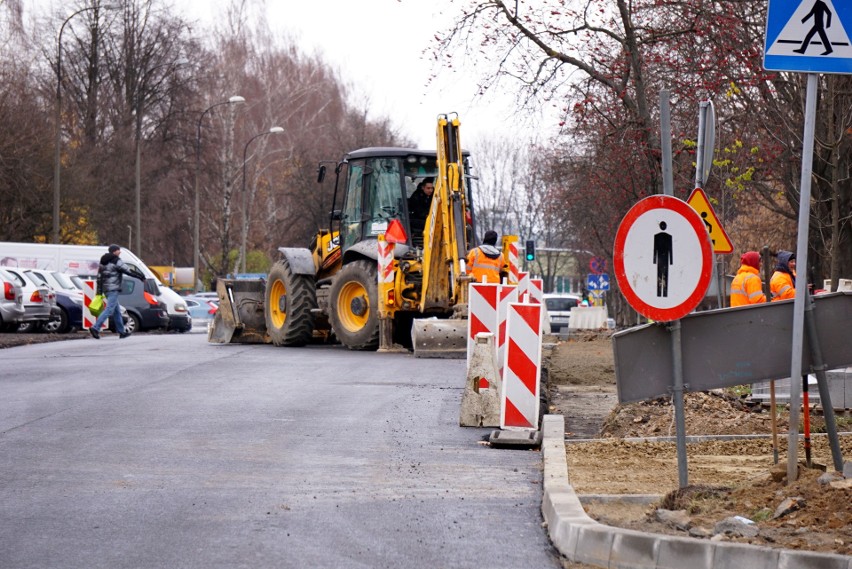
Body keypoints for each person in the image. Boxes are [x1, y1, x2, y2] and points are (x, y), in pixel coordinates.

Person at [90, 244, 145, 339]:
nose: (120, 252)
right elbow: (128, 270)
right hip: (113, 289)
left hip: (106, 289)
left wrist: (99, 291)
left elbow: (99, 277)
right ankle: (95, 327)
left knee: (117, 312)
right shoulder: (116, 261)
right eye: (118, 250)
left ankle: (121, 332)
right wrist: (141, 276)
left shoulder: (103, 262)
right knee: (109, 309)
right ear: (114, 251)